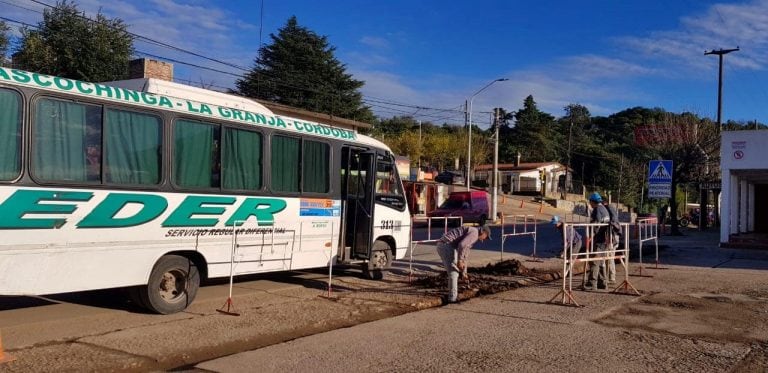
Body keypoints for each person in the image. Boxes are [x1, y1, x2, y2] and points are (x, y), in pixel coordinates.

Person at [436, 224, 491, 303]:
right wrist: (460, 261)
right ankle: (452, 299)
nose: (484, 240)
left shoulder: (473, 233)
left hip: (448, 245)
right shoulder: (474, 233)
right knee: (454, 272)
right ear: (483, 232)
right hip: (446, 245)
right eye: (486, 237)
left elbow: (465, 254)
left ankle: (453, 295)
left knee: (456, 271)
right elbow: (462, 245)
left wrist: (464, 273)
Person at [586, 192, 610, 290]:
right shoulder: (604, 209)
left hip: (599, 239)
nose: (590, 204)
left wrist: (591, 235)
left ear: (593, 201)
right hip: (605, 239)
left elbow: (596, 224)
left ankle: (592, 284)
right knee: (600, 261)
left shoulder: (597, 210)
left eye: (590, 202)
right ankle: (603, 282)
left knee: (594, 261)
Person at [602, 201, 620, 284]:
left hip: (612, 237)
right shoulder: (610, 209)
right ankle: (609, 276)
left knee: (609, 257)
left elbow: (613, 222)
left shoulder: (608, 209)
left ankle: (611, 277)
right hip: (612, 237)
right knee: (609, 257)